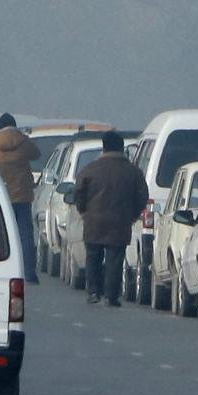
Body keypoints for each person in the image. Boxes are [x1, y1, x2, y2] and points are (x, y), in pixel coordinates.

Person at [73, 131, 148, 306]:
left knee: (93, 257)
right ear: (122, 148)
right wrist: (133, 215)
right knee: (115, 259)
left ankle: (93, 292)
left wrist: (84, 212)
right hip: (120, 222)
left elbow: (78, 194)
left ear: (103, 147)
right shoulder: (133, 172)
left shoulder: (90, 170)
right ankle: (111, 296)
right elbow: (142, 196)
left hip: (94, 221)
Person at [0, 113, 40, 282]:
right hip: (22, 194)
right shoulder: (23, 141)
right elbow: (36, 153)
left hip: (1, 196)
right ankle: (29, 273)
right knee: (25, 235)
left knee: (0, 234)